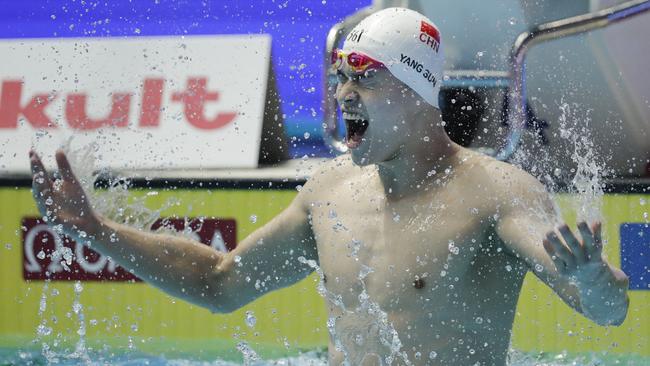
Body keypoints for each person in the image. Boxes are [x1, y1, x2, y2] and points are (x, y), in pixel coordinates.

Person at [29, 7, 629, 366]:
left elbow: (606, 311)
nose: (342, 97)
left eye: (363, 78)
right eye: (340, 77)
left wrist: (592, 280)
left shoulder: (495, 194)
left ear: (418, 90)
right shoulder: (330, 193)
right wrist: (97, 232)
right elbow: (220, 283)